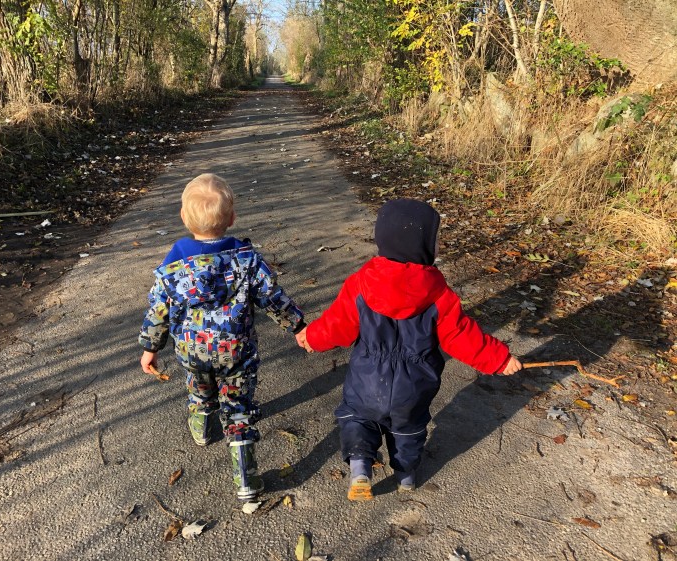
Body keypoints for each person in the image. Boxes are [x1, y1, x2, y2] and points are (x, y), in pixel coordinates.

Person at [295, 198, 522, 501]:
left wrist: (312, 337)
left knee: (357, 418)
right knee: (409, 429)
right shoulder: (438, 293)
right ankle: (406, 474)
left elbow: (337, 324)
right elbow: (460, 335)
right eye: (435, 239)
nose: (438, 245)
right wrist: (499, 359)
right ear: (421, 245)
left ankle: (360, 466)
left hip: (367, 379)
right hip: (414, 385)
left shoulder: (361, 283)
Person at [139, 173, 305, 501]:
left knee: (200, 389)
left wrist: (150, 347)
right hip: (236, 351)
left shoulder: (172, 267)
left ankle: (202, 427)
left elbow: (158, 311)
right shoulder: (247, 260)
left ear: (183, 217)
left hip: (193, 352)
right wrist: (298, 327)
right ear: (232, 218)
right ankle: (246, 479)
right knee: (238, 406)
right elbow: (273, 297)